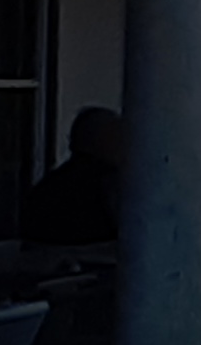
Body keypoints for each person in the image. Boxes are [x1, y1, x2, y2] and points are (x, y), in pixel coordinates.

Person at [16, 106, 125, 247]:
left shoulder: (48, 187)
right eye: (117, 137)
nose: (126, 145)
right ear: (101, 140)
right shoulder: (111, 187)